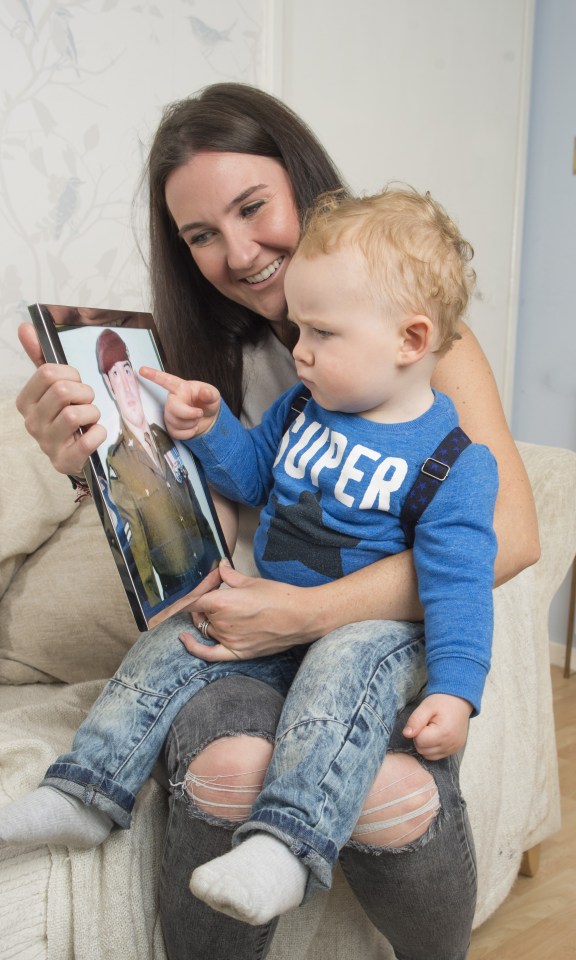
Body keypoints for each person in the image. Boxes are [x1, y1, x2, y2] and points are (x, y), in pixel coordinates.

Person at [12, 83, 539, 960]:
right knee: (223, 766)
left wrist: (313, 618)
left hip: (363, 624)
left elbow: (503, 538)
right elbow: (211, 508)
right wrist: (98, 464)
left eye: (253, 208)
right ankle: (85, 793)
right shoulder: (228, 370)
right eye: (201, 236)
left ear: (303, 184)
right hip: (243, 626)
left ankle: (348, 887)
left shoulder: (421, 355)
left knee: (389, 782)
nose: (240, 252)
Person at [94, 328, 222, 605]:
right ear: (108, 384)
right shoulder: (117, 462)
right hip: (176, 584)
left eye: (127, 371)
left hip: (208, 561)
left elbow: (193, 503)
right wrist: (155, 607)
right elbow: (136, 548)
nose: (126, 385)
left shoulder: (164, 435)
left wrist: (219, 558)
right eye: (115, 375)